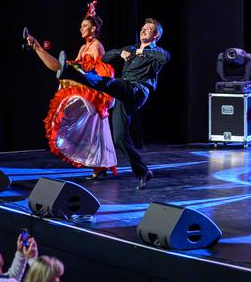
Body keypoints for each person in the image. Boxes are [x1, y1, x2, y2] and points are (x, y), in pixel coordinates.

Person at [57, 18, 170, 189]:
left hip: (138, 90)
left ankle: (70, 72)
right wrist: (120, 53)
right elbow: (106, 56)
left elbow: (165, 57)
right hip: (124, 94)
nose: (144, 30)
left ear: (156, 35)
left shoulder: (156, 53)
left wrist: (143, 52)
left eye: (149, 29)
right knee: (119, 137)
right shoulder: (130, 49)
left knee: (110, 83)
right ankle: (143, 172)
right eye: (143, 28)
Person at [27, 1, 118, 180]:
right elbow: (77, 64)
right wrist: (70, 68)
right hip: (85, 87)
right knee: (93, 131)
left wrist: (73, 70)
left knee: (89, 125)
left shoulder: (96, 46)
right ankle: (37, 47)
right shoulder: (84, 47)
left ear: (93, 29)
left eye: (85, 26)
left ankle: (100, 165)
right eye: (81, 26)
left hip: (93, 91)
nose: (81, 29)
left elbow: (98, 71)